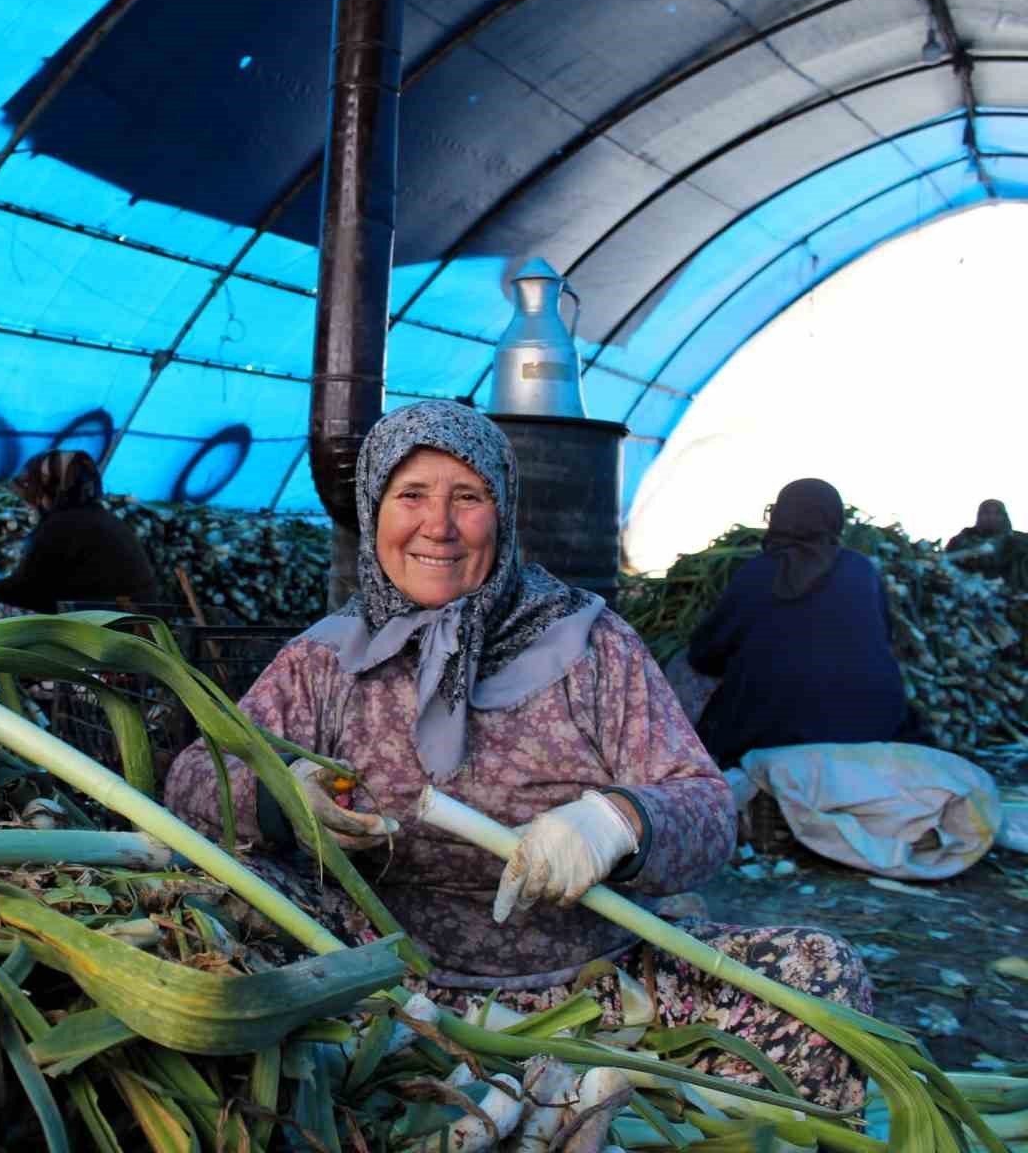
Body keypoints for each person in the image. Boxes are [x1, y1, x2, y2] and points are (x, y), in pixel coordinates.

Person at [164, 401, 870, 1110]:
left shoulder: (592, 645)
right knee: (207, 918)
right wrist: (280, 797)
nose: (437, 526)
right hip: (369, 995)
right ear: (373, 508)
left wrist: (618, 823)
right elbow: (193, 779)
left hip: (598, 994)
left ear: (502, 512)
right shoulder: (324, 659)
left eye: (466, 498)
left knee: (819, 975)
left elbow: (708, 809)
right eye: (411, 495)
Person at [688, 478, 912, 769]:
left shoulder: (757, 573)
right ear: (835, 519)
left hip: (773, 736)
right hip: (874, 727)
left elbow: (704, 654)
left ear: (779, 517)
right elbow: (883, 639)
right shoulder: (861, 569)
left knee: (689, 673)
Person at [0, 449, 160, 614]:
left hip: (112, 629)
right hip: (135, 620)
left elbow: (28, 591)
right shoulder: (99, 517)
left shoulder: (62, 526)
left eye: (31, 487)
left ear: (48, 488)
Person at [945, 498, 1015, 578]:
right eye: (986, 513)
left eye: (997, 513)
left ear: (1004, 517)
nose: (991, 517)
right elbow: (945, 564)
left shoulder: (1016, 542)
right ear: (979, 515)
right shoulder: (959, 541)